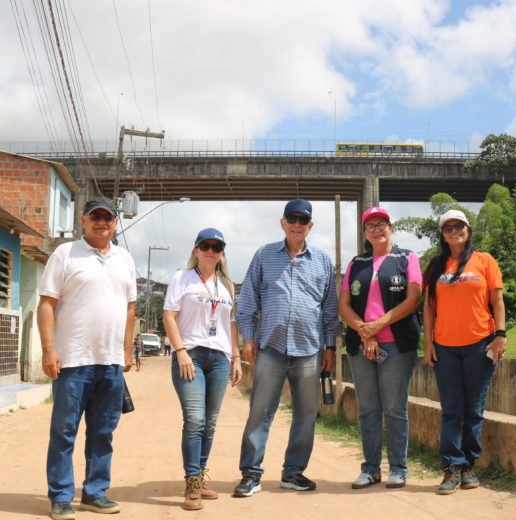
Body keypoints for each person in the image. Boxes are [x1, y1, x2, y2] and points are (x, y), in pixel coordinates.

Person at [37, 196, 137, 520]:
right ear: (83, 219)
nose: (102, 222)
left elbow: (130, 308)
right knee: (64, 431)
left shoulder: (124, 259)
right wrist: (49, 349)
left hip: (110, 363)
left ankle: (95, 493)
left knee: (103, 432)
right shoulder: (65, 254)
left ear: (115, 223)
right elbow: (47, 304)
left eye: (108, 217)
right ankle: (61, 496)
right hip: (72, 361)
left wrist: (127, 349)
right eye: (96, 216)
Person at [233, 198, 339, 497]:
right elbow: (248, 301)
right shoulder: (265, 255)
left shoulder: (322, 261)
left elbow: (330, 309)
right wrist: (248, 338)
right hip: (271, 348)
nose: (296, 225)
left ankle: (293, 473)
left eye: (302, 221)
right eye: (291, 219)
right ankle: (251, 474)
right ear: (282, 223)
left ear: (310, 226)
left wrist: (330, 347)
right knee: (260, 412)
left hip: (309, 349)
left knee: (306, 413)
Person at [422, 209, 507, 496]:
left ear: (468, 230)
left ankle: (469, 465)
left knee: (474, 409)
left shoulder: (485, 261)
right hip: (445, 347)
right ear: (443, 235)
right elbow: (429, 308)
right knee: (451, 410)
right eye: (448, 227)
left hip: (480, 344)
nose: (454, 230)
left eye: (459, 226)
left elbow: (497, 300)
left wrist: (500, 335)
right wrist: (429, 342)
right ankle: (451, 467)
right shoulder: (435, 267)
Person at [338, 207, 422, 490]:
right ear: (364, 233)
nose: (376, 229)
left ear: (391, 227)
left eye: (381, 223)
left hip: (397, 346)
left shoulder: (406, 258)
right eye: (370, 225)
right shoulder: (356, 263)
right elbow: (344, 305)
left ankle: (398, 468)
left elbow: (413, 299)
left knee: (395, 408)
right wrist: (365, 332)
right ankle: (370, 468)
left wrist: (379, 325)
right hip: (361, 346)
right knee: (368, 409)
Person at [162, 227, 242, 510]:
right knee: (195, 419)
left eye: (217, 247)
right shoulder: (181, 279)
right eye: (205, 246)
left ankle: (201, 475)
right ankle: (192, 483)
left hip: (219, 358)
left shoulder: (227, 284)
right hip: (191, 355)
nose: (211, 251)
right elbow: (169, 317)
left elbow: (231, 323)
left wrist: (235, 357)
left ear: (222, 253)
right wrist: (180, 351)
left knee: (210, 422)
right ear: (195, 250)